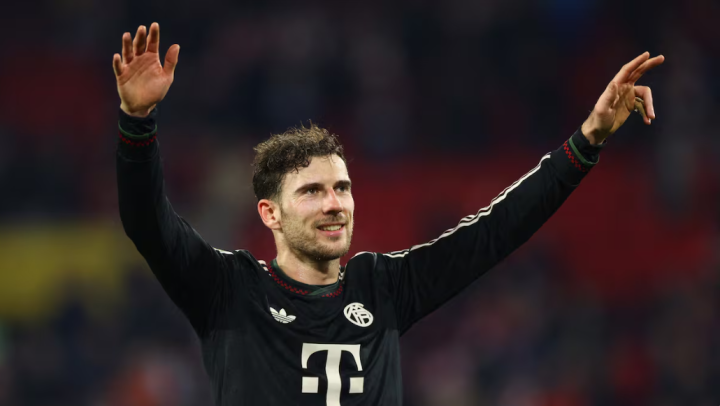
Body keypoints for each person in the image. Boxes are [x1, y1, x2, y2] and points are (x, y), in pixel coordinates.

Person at [113, 22, 664, 406]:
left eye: (342, 188)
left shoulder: (383, 286)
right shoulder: (228, 289)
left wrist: (587, 140)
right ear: (270, 214)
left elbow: (496, 230)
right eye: (312, 192)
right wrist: (137, 123)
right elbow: (148, 223)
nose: (334, 203)